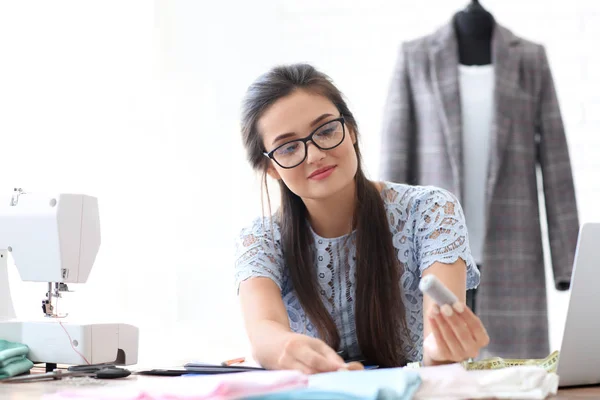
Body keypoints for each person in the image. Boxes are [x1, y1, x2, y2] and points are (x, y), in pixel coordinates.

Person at [234, 63, 488, 374]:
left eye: (326, 130)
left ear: (351, 131)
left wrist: (439, 353)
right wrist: (287, 350)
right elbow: (264, 329)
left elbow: (438, 341)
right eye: (288, 148)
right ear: (270, 167)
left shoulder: (431, 210)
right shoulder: (260, 241)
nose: (314, 155)